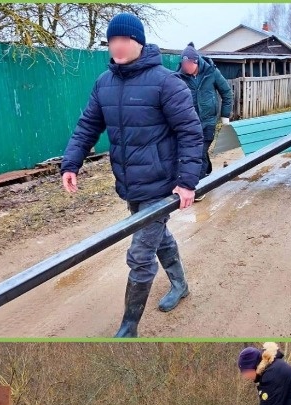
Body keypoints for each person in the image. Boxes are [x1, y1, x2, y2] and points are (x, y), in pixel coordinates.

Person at [61, 12, 204, 337]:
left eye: (126, 40)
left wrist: (186, 182)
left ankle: (128, 329)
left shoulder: (166, 82)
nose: (119, 46)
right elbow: (87, 126)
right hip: (131, 186)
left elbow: (190, 132)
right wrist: (71, 163)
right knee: (159, 239)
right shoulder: (104, 84)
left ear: (139, 42)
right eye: (113, 40)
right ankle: (180, 285)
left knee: (139, 255)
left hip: (161, 187)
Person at [176, 42, 233, 182]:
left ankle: (199, 185)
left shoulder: (211, 72)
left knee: (199, 152)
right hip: (190, 123)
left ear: (196, 62)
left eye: (189, 64)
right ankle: (206, 171)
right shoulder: (178, 77)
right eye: (184, 65)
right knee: (197, 152)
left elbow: (226, 92)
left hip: (208, 122)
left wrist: (225, 116)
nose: (186, 68)